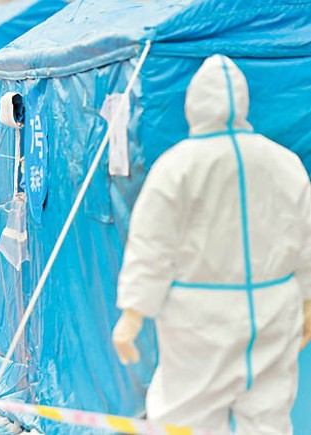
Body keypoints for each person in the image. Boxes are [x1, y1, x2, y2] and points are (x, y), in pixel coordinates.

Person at [112, 55, 311, 434]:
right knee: (268, 418)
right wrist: (306, 299)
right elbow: (306, 239)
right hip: (272, 312)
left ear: (194, 104)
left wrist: (133, 313)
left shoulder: (177, 167)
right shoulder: (285, 163)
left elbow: (152, 244)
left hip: (200, 321)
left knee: (187, 418)